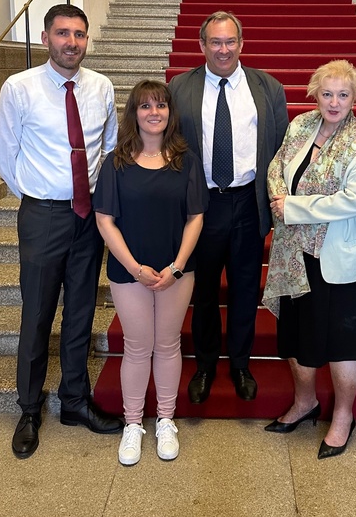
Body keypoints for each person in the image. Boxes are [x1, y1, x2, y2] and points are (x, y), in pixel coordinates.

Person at [0, 4, 122, 460]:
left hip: (87, 218)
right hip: (43, 216)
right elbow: (3, 155)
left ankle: (74, 402)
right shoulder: (19, 88)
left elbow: (107, 148)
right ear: (46, 37)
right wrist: (39, 195)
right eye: (63, 33)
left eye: (80, 34)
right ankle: (29, 409)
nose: (72, 42)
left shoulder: (101, 86)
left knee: (81, 312)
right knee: (38, 314)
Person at [262, 60, 356, 459]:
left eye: (343, 95)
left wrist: (291, 206)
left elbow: (353, 201)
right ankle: (305, 402)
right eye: (327, 93)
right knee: (297, 334)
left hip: (339, 257)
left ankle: (343, 416)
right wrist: (279, 198)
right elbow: (277, 166)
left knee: (342, 341)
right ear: (315, 93)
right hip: (295, 253)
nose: (334, 102)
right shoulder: (300, 126)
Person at [168, 11, 288, 403]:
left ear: (241, 44)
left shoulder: (267, 87)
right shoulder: (179, 87)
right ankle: (204, 365)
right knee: (202, 291)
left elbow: (282, 148)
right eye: (215, 42)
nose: (223, 49)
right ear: (202, 46)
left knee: (243, 289)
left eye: (230, 41)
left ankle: (239, 363)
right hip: (201, 205)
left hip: (247, 202)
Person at [93, 80, 208, 465]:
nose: (154, 112)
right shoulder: (116, 162)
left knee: (168, 343)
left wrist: (175, 267)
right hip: (130, 272)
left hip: (177, 270)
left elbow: (196, 218)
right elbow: (105, 220)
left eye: (160, 105)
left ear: (170, 113)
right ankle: (131, 425)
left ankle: (165, 420)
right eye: (145, 106)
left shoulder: (186, 160)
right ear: (134, 114)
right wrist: (134, 268)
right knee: (138, 346)